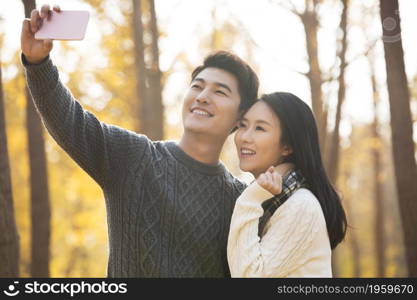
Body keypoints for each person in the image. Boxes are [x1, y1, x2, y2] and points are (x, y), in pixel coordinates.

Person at [21, 4, 297, 278]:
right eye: (197, 86)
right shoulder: (133, 157)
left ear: (240, 117)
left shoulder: (241, 201)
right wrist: (37, 63)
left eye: (220, 92)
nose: (202, 96)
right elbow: (69, 120)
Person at [227, 92, 347, 277]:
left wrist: (250, 200)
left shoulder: (300, 205)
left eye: (259, 128)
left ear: (287, 146)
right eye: (243, 125)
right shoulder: (273, 201)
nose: (244, 137)